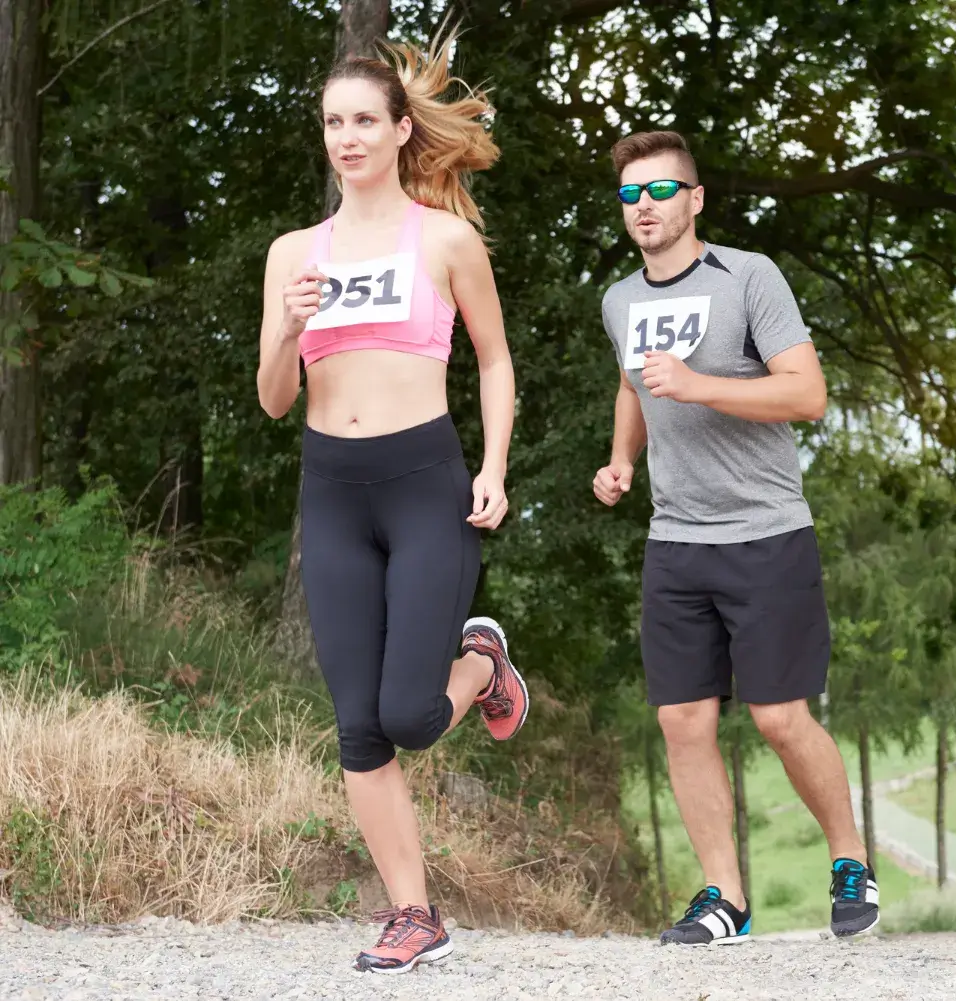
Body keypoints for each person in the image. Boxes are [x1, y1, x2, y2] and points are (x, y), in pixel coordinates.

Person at [255, 30, 530, 974]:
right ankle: (415, 914)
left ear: (401, 130)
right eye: (333, 122)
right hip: (330, 490)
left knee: (412, 714)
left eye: (364, 120)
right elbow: (274, 399)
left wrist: (492, 466)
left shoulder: (446, 239)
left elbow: (494, 360)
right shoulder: (293, 251)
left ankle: (483, 665)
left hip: (423, 484)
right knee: (359, 726)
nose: (347, 137)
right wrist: (287, 329)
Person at [592, 130, 880, 944]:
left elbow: (808, 394)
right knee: (682, 722)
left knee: (780, 716)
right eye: (629, 195)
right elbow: (630, 383)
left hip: (765, 531)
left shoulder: (749, 277)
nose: (643, 208)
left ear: (694, 200)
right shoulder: (621, 300)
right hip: (674, 538)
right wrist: (620, 459)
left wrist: (700, 385)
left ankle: (850, 860)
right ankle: (725, 896)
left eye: (659, 192)